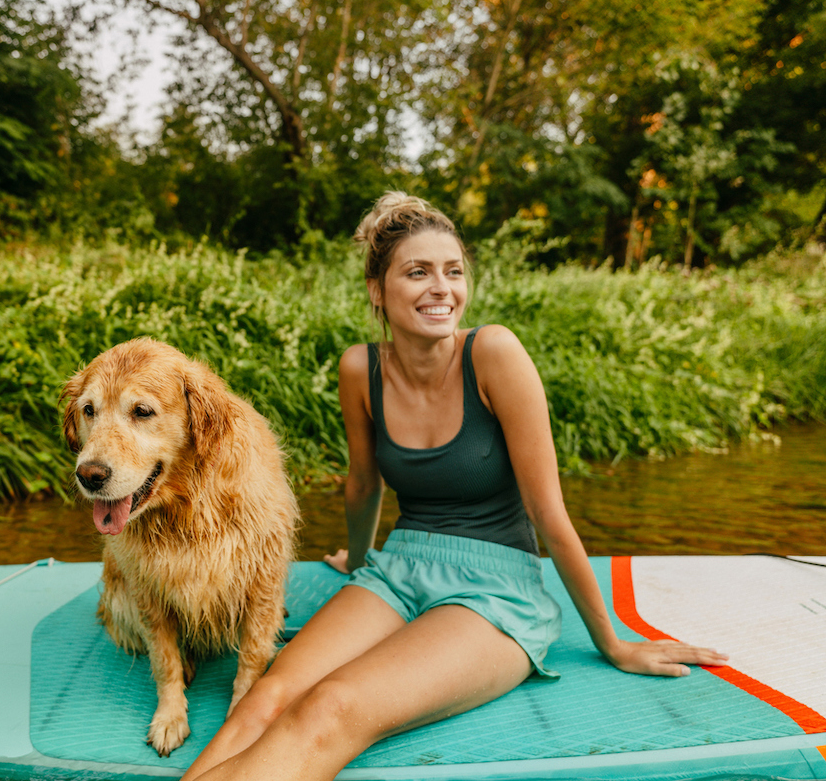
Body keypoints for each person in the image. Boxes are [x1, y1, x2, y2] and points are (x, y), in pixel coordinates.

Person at [180, 192, 729, 781]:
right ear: (377, 289)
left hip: (497, 588)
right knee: (266, 697)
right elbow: (364, 486)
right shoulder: (359, 368)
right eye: (418, 272)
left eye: (454, 271)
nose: (442, 287)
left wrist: (613, 643)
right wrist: (360, 560)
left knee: (332, 706)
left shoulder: (493, 353)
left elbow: (549, 515)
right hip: (401, 568)